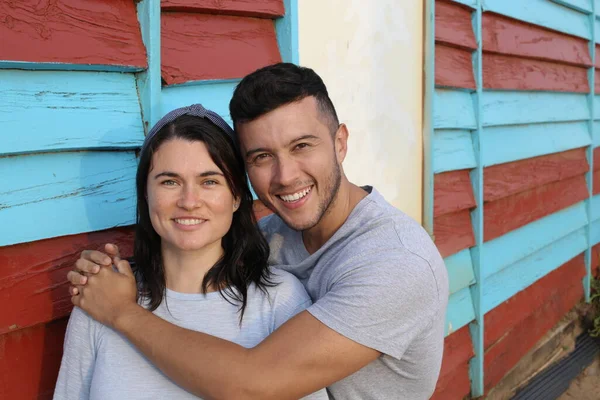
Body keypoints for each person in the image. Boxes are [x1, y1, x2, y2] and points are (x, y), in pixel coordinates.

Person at [68, 63, 449, 399]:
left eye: (302, 146)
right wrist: (106, 275)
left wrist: (120, 312)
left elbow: (252, 385)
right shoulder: (269, 237)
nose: (285, 176)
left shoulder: (397, 262)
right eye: (262, 157)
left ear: (340, 142)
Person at [54, 104, 327, 399]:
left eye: (209, 181)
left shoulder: (279, 301)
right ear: (145, 193)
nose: (189, 201)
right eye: (170, 182)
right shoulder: (101, 299)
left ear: (236, 197)